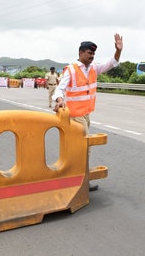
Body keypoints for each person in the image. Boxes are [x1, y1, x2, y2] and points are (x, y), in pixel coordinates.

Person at [53, 33, 124, 192]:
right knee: (84, 148)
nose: (92, 56)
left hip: (86, 114)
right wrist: (59, 100)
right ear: (80, 53)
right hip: (75, 116)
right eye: (89, 53)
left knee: (81, 148)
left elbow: (112, 63)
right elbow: (60, 89)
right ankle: (80, 180)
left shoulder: (93, 68)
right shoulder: (71, 70)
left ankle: (74, 178)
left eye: (93, 54)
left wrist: (118, 50)